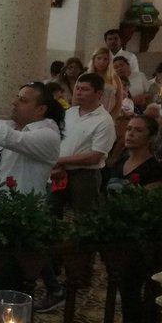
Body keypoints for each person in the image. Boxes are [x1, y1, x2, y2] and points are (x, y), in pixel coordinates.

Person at [50, 73, 115, 217]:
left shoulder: (104, 121)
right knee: (51, 211)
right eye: (77, 88)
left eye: (85, 89)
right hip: (59, 171)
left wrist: (60, 160)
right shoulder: (70, 113)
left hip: (85, 174)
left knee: (84, 217)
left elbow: (95, 156)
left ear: (98, 94)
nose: (79, 92)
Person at [104, 115, 162, 190]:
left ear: (151, 137)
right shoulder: (120, 162)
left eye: (138, 130)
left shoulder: (153, 170)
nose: (130, 134)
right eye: (128, 129)